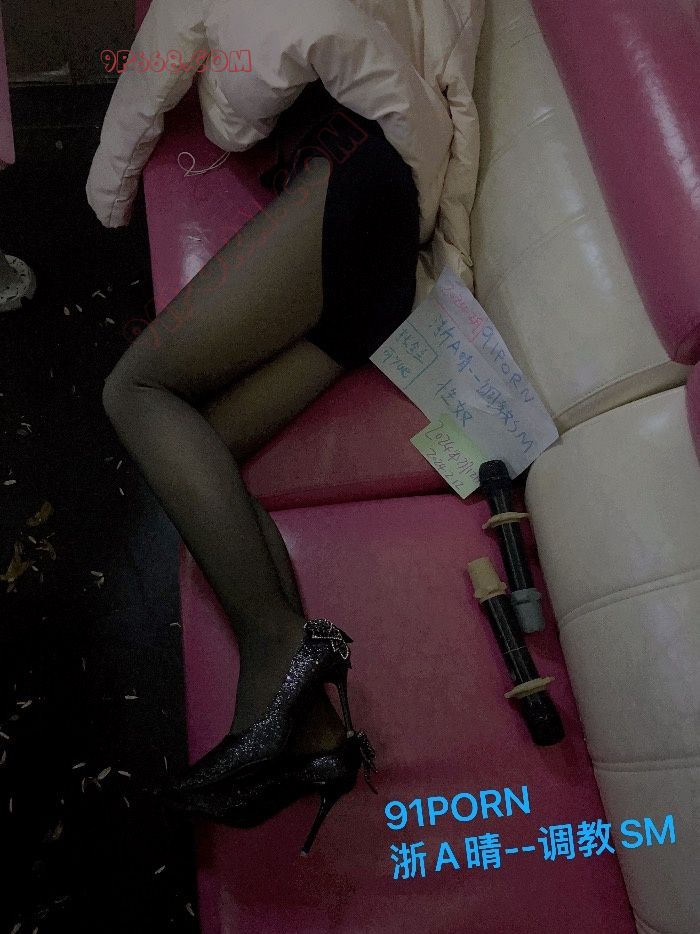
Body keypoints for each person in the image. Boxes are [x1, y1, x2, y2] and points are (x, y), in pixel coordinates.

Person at [101, 80, 420, 853]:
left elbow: (156, 70)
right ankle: (314, 736)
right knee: (199, 446)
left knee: (134, 391)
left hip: (355, 182)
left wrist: (109, 184)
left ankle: (277, 645)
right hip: (373, 285)